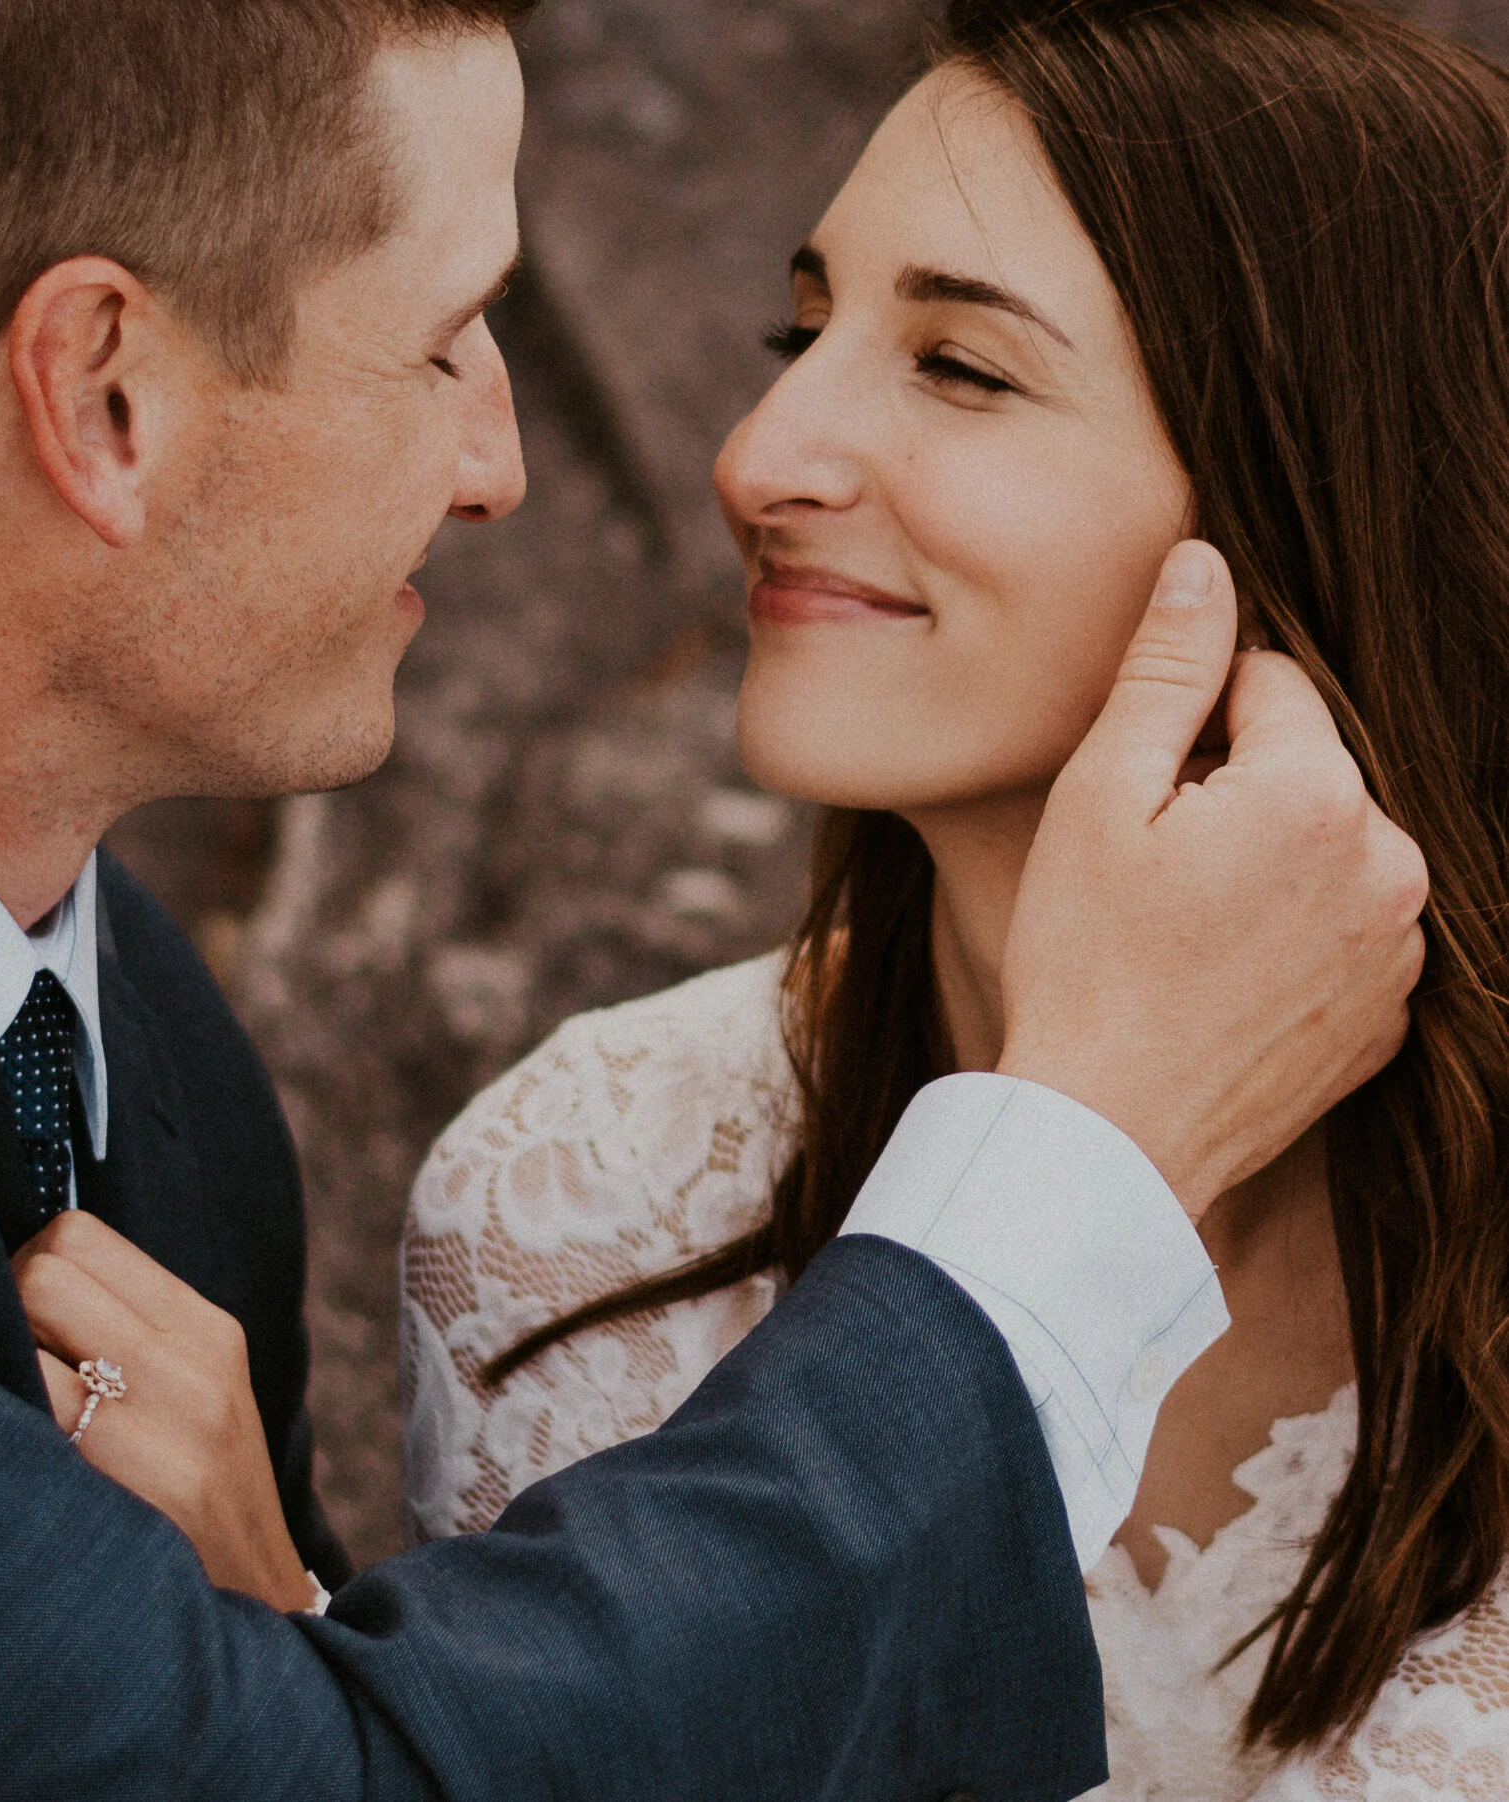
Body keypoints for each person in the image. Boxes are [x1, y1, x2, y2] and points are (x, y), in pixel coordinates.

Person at [0, 0, 1421, 1798]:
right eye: (450, 341)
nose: (502, 468)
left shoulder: (142, 1043)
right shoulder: (585, 1194)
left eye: (964, 368)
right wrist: (1090, 1152)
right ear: (104, 393)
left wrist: (279, 1627)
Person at [402, 0, 1507, 1796]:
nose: (760, 454)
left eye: (961, 369)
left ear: (1319, 489)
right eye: (805, 327)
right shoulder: (579, 1200)